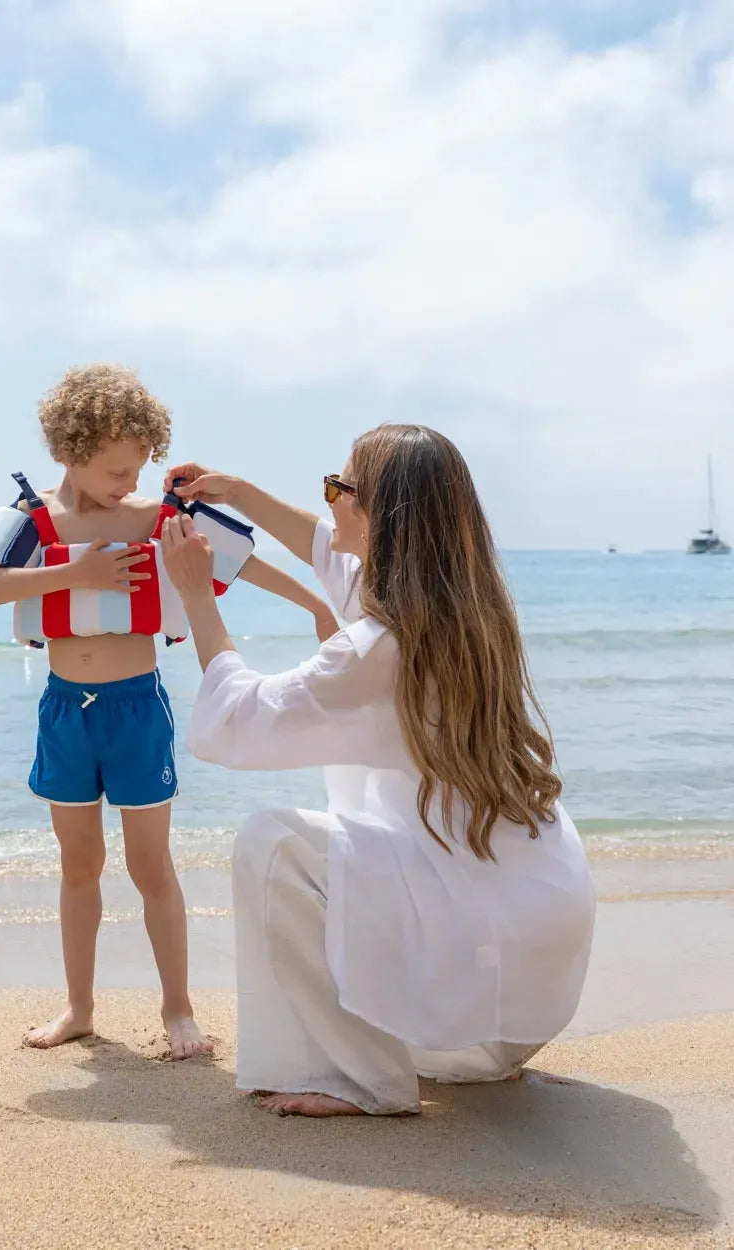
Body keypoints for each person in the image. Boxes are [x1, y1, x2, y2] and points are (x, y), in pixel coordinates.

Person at [160, 424, 596, 1111]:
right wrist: (238, 492)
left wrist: (196, 597)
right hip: (526, 966)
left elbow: (240, 721)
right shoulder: (463, 611)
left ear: (380, 513)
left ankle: (356, 1077)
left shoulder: (377, 647)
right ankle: (432, 1051)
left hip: (478, 968)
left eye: (339, 488)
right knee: (340, 846)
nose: (327, 499)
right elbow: (324, 551)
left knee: (272, 845)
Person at [0, 364, 336, 1058]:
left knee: (150, 865)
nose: (127, 481)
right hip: (64, 713)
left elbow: (240, 562)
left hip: (136, 709)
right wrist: (76, 574)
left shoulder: (158, 519)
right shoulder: (33, 520)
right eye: (114, 468)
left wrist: (316, 604)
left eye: (137, 466)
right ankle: (78, 1007)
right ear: (70, 451)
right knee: (78, 864)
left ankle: (178, 1010)